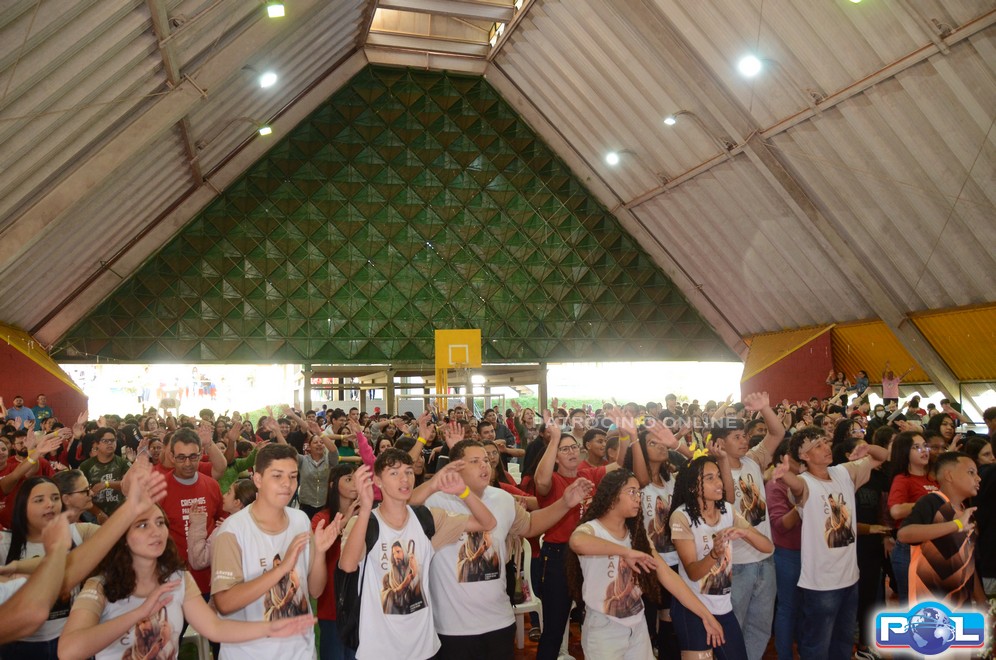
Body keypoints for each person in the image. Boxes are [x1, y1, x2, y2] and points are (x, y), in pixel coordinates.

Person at [59, 503, 315, 660]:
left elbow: (214, 628)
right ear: (122, 536)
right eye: (142, 525)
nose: (156, 531)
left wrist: (270, 629)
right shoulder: (101, 586)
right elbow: (68, 650)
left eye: (160, 523)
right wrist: (139, 613)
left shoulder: (178, 578)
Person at [415, 436, 592, 659]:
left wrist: (565, 503)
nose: (484, 465)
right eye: (475, 461)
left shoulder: (502, 498)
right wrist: (434, 482)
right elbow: (399, 511)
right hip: (452, 628)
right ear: (456, 467)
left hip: (499, 621)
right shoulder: (435, 501)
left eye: (486, 460)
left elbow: (530, 525)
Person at [338, 448, 497, 659]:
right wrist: (365, 508)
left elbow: (488, 523)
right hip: (379, 649)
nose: (404, 479)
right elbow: (348, 565)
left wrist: (464, 492)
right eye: (394, 473)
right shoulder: (364, 523)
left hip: (424, 646)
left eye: (408, 472)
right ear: (377, 481)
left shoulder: (426, 519)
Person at [567, 469, 724, 659]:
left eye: (639, 493)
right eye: (631, 492)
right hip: (604, 630)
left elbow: (669, 577)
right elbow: (577, 542)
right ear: (612, 495)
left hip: (637, 626)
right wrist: (626, 552)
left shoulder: (637, 536)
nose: (637, 498)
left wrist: (706, 615)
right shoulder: (592, 529)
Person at [212, 443, 341, 659]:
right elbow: (224, 603)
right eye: (277, 476)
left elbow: (315, 591)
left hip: (300, 651)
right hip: (251, 653)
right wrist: (281, 569)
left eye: (293, 476)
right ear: (258, 479)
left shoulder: (300, 520)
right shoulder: (233, 531)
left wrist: (319, 553)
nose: (287, 484)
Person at [772, 426, 889, 660]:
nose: (826, 447)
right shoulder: (805, 482)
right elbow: (797, 488)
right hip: (821, 583)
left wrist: (867, 447)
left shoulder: (842, 472)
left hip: (850, 576)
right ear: (804, 456)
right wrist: (785, 475)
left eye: (825, 442)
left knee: (843, 641)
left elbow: (883, 456)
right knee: (817, 645)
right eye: (818, 446)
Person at [533, 417, 628, 660]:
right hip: (558, 557)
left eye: (574, 447)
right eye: (565, 449)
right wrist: (554, 439)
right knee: (555, 627)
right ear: (555, 456)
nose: (572, 452)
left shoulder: (588, 474)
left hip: (590, 556)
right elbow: (540, 481)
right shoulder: (553, 481)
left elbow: (619, 464)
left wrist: (626, 435)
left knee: (596, 618)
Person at [669, 455, 773, 660]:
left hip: (722, 607)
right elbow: (692, 572)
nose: (719, 482)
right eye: (710, 478)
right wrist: (714, 554)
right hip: (692, 608)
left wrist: (745, 532)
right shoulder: (681, 517)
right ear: (693, 487)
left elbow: (768, 547)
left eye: (718, 476)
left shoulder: (727, 510)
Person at [714, 392, 784, 660]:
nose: (744, 441)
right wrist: (722, 461)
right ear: (720, 443)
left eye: (744, 436)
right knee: (734, 626)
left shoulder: (753, 460)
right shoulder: (712, 471)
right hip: (736, 563)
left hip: (764, 557)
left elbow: (777, 433)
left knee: (760, 626)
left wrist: (765, 408)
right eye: (737, 437)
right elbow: (727, 501)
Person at [898, 452, 985, 608]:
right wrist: (956, 525)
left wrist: (981, 601)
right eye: (971, 472)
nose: (978, 478)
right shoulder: (932, 501)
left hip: (961, 603)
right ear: (949, 476)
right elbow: (904, 534)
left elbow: (968, 563)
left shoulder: (967, 512)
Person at [886, 431, 938, 604]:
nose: (924, 450)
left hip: (934, 548)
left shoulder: (933, 477)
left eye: (925, 446)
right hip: (911, 549)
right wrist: (928, 503)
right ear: (904, 452)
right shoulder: (903, 479)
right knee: (913, 604)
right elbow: (896, 511)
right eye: (916, 447)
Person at [313, 464, 358, 660]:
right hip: (331, 606)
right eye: (348, 479)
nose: (355, 483)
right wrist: (345, 521)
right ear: (333, 485)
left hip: (359, 606)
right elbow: (316, 555)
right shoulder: (321, 519)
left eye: (357, 478)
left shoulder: (366, 517)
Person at [765, 441, 802, 660]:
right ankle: (785, 654)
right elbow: (781, 525)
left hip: (811, 552)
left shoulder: (808, 480)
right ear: (783, 459)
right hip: (787, 552)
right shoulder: (775, 485)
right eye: (797, 458)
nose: (802, 462)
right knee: (788, 607)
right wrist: (802, 505)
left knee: (806, 607)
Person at [79, 427, 130, 516]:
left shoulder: (123, 463)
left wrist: (107, 484)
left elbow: (128, 485)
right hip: (93, 514)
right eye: (105, 441)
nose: (110, 443)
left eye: (112, 440)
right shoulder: (86, 466)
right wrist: (99, 514)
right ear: (97, 444)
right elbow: (82, 495)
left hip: (120, 513)